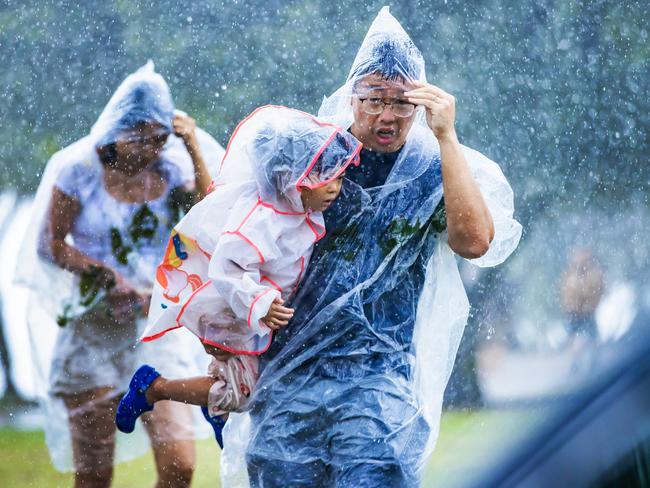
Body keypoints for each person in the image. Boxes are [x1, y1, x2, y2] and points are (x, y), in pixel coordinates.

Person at [220, 8, 522, 488]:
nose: (386, 114)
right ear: (352, 97)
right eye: (373, 99)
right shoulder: (313, 154)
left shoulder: (431, 167)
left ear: (420, 105)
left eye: (402, 102)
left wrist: (446, 134)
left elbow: (475, 242)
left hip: (379, 380)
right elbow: (237, 209)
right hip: (289, 380)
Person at [15, 62, 223, 488]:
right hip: (93, 331)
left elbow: (210, 218)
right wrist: (105, 276)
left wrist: (192, 146)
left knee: (180, 466)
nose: (150, 150)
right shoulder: (79, 170)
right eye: (141, 139)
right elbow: (49, 243)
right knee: (94, 475)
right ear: (118, 130)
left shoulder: (174, 168)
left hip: (154, 330)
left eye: (161, 139)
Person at [115, 105, 361, 449]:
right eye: (323, 177)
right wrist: (259, 302)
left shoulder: (297, 208)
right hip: (235, 310)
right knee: (243, 392)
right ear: (291, 178)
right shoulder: (263, 220)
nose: (335, 187)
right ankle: (155, 388)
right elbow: (226, 267)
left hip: (251, 313)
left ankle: (216, 409)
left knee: (233, 377)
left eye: (338, 176)